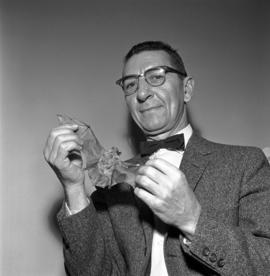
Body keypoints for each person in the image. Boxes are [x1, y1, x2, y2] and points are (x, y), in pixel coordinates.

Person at [43, 41, 270, 275]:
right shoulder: (113, 182)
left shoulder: (246, 164)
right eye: (131, 84)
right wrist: (73, 187)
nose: (141, 93)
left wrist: (192, 221)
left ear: (187, 89)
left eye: (156, 76)